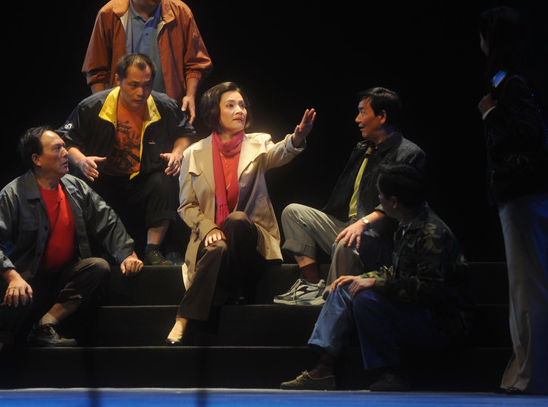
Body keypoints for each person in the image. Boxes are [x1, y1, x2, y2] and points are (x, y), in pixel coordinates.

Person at [0, 126, 143, 390]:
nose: (65, 153)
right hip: (24, 279)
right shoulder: (14, 193)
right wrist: (12, 277)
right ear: (37, 159)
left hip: (60, 279)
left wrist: (127, 253)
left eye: (64, 147)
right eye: (57, 148)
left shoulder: (74, 186)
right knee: (16, 293)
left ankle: (45, 324)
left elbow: (106, 218)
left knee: (98, 266)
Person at [280, 163, 473, 392]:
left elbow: (428, 289)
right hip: (417, 309)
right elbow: (398, 271)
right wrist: (364, 277)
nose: (378, 200)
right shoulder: (406, 224)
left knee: (366, 300)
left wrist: (375, 283)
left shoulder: (431, 233)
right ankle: (323, 367)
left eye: (380, 195)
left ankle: (393, 373)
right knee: (345, 286)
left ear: (394, 201)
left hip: (441, 322)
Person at [165, 82, 316, 344]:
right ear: (214, 112)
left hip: (250, 236)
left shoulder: (259, 142)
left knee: (236, 220)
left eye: (242, 105)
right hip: (210, 238)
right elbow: (186, 205)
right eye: (231, 105)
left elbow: (279, 153)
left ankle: (184, 318)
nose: (240, 111)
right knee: (218, 248)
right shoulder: (193, 153)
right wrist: (209, 228)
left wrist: (296, 139)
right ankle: (195, 312)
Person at [274, 87, 426, 306]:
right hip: (350, 227)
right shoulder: (364, 149)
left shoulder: (409, 153)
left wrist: (362, 224)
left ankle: (332, 299)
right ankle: (311, 285)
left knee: (348, 241)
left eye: (362, 112)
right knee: (293, 213)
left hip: (382, 239)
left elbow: (399, 205)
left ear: (382, 116)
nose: (357, 119)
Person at [59, 53, 196, 265]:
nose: (141, 92)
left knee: (164, 179)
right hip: (102, 178)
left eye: (147, 85)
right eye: (133, 85)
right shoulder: (92, 106)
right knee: (78, 183)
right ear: (118, 80)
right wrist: (81, 160)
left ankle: (153, 250)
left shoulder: (164, 105)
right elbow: (65, 140)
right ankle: (93, 252)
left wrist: (177, 153)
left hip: (141, 179)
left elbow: (185, 132)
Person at [476, 6, 548, 395]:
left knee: (527, 287)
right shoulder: (516, 80)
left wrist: (490, 116)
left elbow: (527, 135)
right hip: (524, 196)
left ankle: (532, 375)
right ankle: (529, 372)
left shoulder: (511, 84)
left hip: (522, 195)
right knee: (528, 285)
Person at [82, 0, 212, 124]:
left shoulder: (180, 12)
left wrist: (190, 95)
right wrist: (104, 107)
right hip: (122, 112)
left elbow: (196, 62)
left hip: (169, 110)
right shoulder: (110, 14)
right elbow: (96, 69)